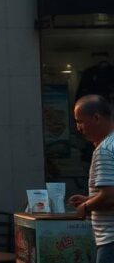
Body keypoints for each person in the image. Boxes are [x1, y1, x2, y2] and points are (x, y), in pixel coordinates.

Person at [70, 95, 114, 263]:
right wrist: (90, 198)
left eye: (80, 121)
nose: (78, 128)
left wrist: (85, 207)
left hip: (110, 238)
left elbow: (109, 196)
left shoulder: (105, 150)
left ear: (96, 118)